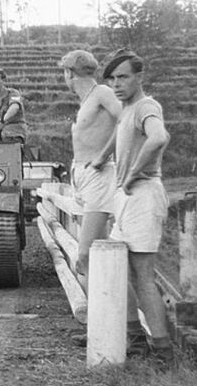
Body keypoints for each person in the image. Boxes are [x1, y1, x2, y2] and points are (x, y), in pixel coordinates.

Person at [60, 50, 148, 355]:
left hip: (99, 178)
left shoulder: (101, 93)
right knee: (96, 260)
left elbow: (127, 119)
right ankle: (103, 326)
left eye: (65, 73)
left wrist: (104, 156)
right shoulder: (87, 101)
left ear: (70, 73)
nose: (65, 78)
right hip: (84, 177)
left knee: (86, 256)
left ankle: (133, 335)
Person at [92, 49, 173, 367]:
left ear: (139, 77)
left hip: (143, 193)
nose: (116, 84)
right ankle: (135, 341)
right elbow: (119, 133)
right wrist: (101, 157)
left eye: (123, 76)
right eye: (111, 78)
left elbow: (158, 137)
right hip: (125, 197)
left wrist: (136, 171)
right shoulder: (127, 109)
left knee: (142, 275)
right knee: (117, 271)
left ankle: (164, 354)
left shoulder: (147, 106)